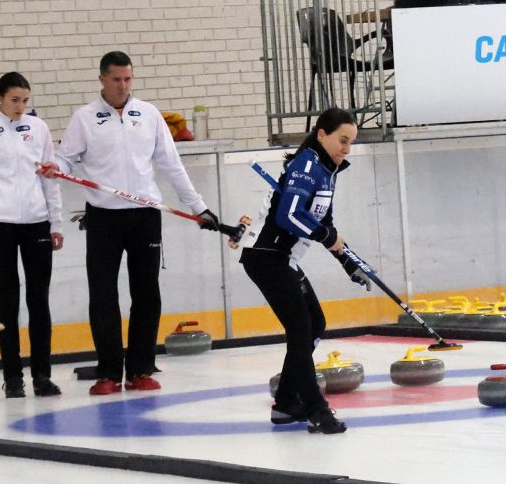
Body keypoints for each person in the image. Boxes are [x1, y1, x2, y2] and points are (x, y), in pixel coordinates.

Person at [37, 51, 218, 396]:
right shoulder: (85, 118)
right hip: (103, 217)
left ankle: (140, 368)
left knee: (146, 292)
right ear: (103, 79)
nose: (123, 86)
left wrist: (198, 207)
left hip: (145, 214)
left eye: (128, 79)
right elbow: (65, 159)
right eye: (116, 79)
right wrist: (52, 166)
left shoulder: (148, 114)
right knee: (103, 294)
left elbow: (170, 164)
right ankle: (107, 372)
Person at [240, 108, 368, 434]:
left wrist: (347, 261)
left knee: (315, 323)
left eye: (351, 142)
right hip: (267, 256)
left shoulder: (328, 171)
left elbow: (323, 224)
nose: (346, 149)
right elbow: (289, 216)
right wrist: (327, 236)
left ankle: (285, 404)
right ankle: (315, 409)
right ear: (322, 134)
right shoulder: (307, 164)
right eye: (342, 140)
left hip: (284, 258)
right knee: (300, 329)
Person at [0, 72, 64, 398]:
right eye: (15, 100)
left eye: (25, 101)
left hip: (36, 222)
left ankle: (42, 376)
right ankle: (13, 377)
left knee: (39, 300)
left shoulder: (38, 128)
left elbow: (50, 177)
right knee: (9, 300)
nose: (20, 107)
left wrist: (56, 222)